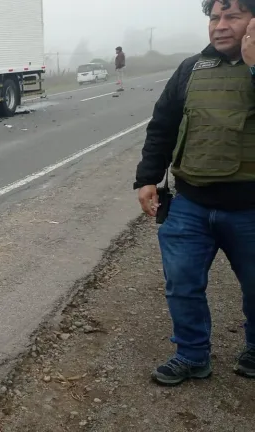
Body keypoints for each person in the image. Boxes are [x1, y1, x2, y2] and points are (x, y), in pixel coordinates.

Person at [134, 0, 255, 387]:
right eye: (215, 16)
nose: (220, 25)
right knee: (182, 284)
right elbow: (163, 125)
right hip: (190, 203)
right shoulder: (191, 69)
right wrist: (148, 177)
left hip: (249, 209)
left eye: (233, 16)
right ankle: (191, 354)